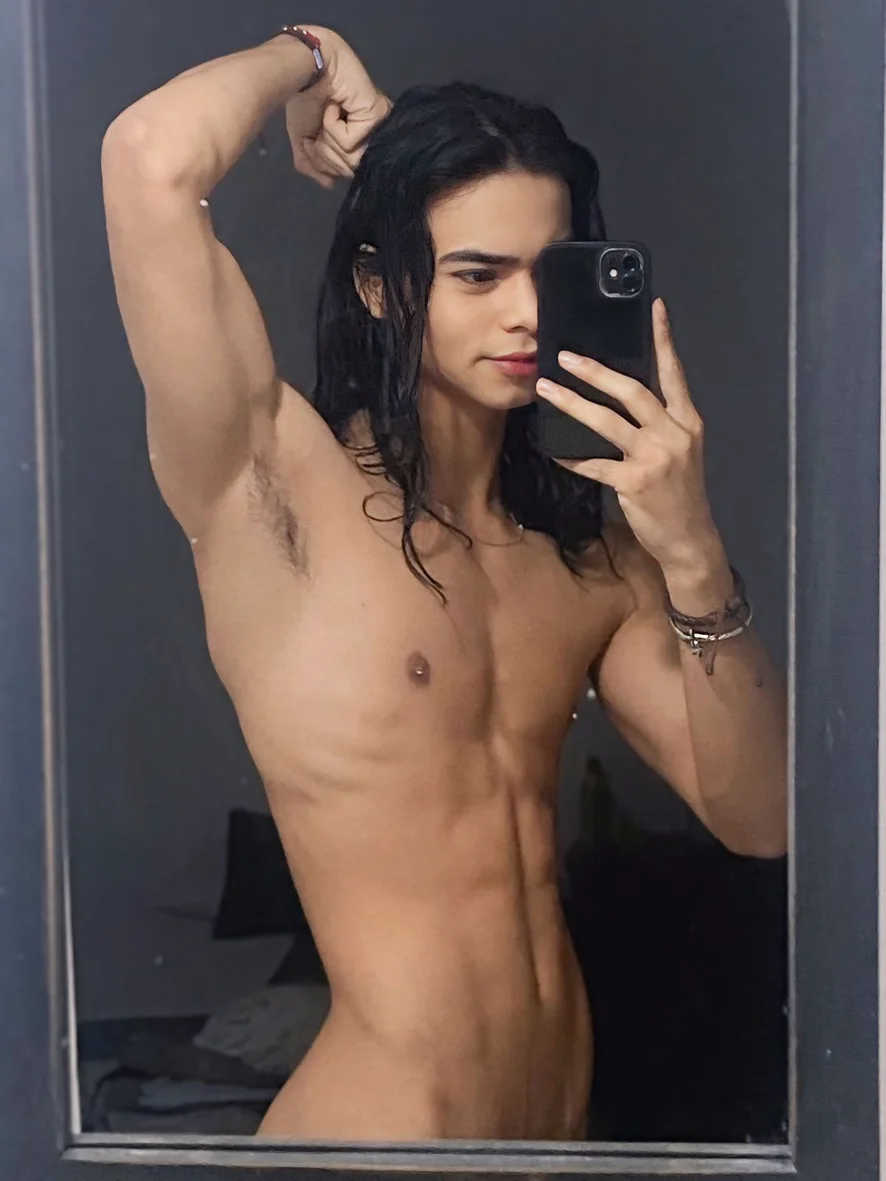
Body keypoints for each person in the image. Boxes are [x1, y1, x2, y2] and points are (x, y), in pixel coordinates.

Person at [100, 24, 788, 1143]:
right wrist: (313, 57)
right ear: (381, 286)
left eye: (546, 272)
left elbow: (761, 818)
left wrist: (695, 552)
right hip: (377, 1141)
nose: (526, 314)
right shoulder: (276, 491)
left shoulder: (586, 558)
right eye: (478, 274)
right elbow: (147, 159)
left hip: (555, 1138)